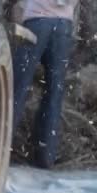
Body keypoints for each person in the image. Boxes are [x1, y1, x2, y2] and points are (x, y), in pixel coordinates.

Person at [13, 0, 79, 169]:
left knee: (16, 89)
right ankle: (45, 158)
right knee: (53, 93)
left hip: (36, 21)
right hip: (63, 25)